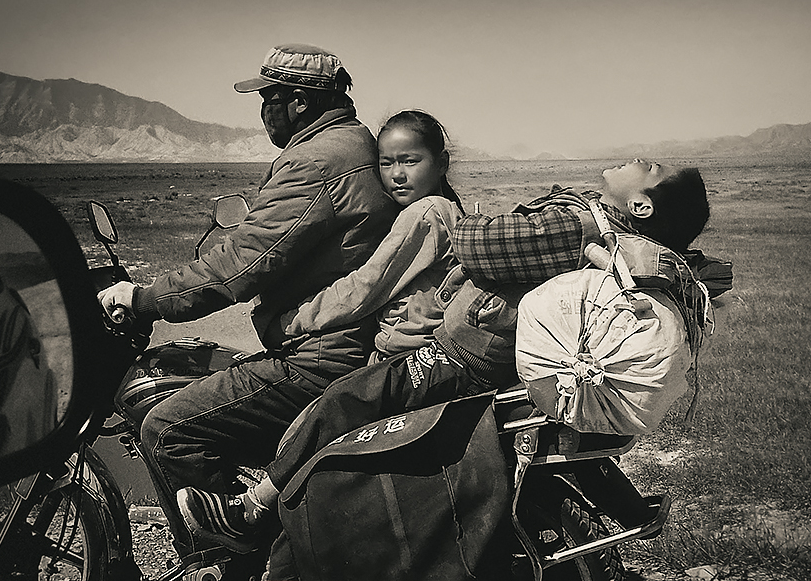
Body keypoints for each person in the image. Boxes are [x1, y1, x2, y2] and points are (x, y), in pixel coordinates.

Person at [172, 159, 714, 562]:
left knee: (344, 402)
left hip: (467, 356)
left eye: (651, 169)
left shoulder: (581, 227)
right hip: (490, 353)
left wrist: (467, 227)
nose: (640, 159)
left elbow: (476, 243)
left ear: (641, 206)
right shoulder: (636, 247)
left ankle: (253, 509)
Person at [96, 43, 399, 579]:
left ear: (299, 101)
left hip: (322, 356)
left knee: (167, 428)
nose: (263, 112)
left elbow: (239, 267)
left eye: (269, 99)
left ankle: (230, 563)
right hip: (348, 344)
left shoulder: (315, 161)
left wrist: (143, 299)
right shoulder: (355, 143)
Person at [175, 109, 466, 553]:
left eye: (410, 161)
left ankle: (252, 509)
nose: (397, 174)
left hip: (405, 361)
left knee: (329, 412)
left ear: (441, 163)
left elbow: (365, 287)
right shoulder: (441, 209)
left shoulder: (426, 213)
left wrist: (294, 320)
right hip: (406, 356)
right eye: (386, 163)